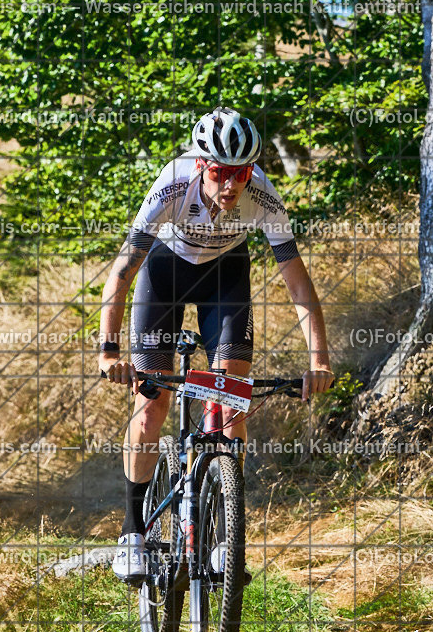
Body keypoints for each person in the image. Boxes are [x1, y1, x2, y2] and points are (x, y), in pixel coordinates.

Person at [98, 107, 335, 583]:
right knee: (151, 405)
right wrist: (108, 350)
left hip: (225, 277)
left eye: (241, 173)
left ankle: (225, 532)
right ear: (202, 165)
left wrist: (320, 361)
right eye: (221, 173)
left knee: (231, 399)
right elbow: (122, 272)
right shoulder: (172, 184)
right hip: (164, 274)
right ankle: (133, 532)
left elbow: (297, 281)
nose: (231, 185)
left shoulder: (262, 195)